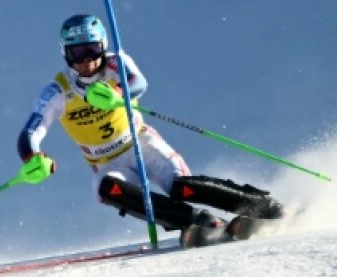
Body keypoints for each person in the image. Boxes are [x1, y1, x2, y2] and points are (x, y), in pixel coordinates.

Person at [16, 14, 283, 247]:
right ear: (65, 53)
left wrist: (117, 93)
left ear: (103, 46)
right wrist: (33, 157)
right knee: (108, 189)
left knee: (180, 187)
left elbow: (139, 83)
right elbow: (31, 131)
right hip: (106, 162)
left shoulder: (114, 64)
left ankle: (263, 207)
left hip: (140, 143)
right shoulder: (58, 91)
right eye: (77, 52)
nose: (86, 60)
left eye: (92, 49)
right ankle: (199, 222)